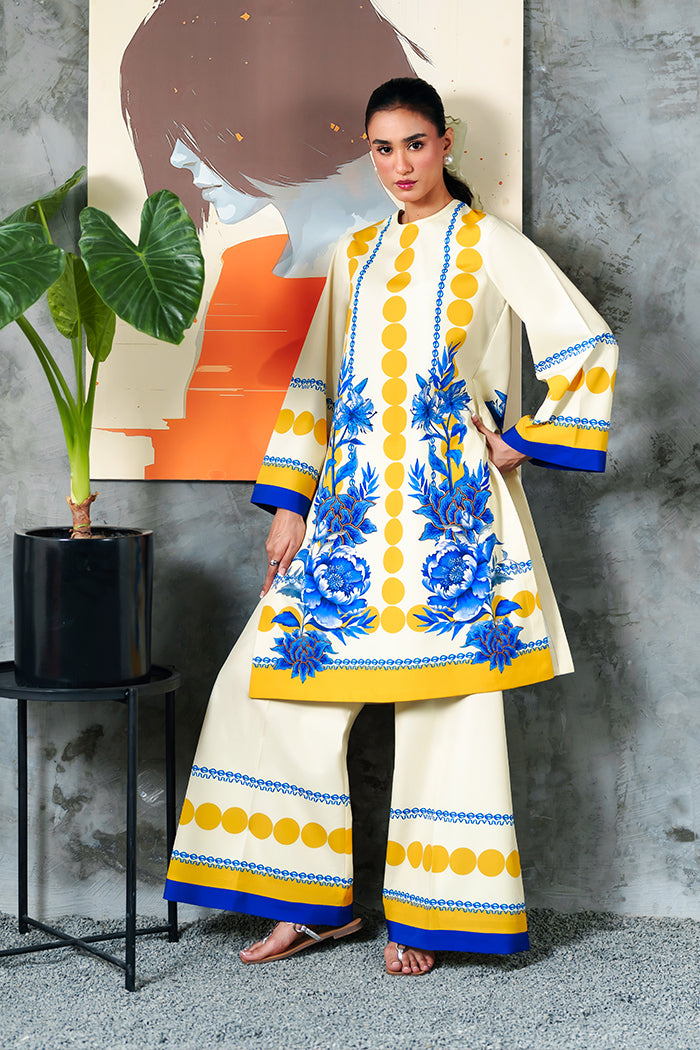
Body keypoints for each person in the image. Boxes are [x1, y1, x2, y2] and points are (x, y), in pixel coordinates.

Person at [164, 77, 618, 975]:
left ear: (445, 142)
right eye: (382, 148)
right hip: (350, 515)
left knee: (448, 710)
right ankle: (311, 907)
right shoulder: (356, 254)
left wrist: (521, 441)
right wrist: (290, 505)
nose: (400, 164)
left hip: (451, 521)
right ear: (368, 153)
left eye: (415, 143)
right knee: (266, 687)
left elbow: (586, 342)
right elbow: (317, 381)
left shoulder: (490, 243)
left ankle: (429, 918)